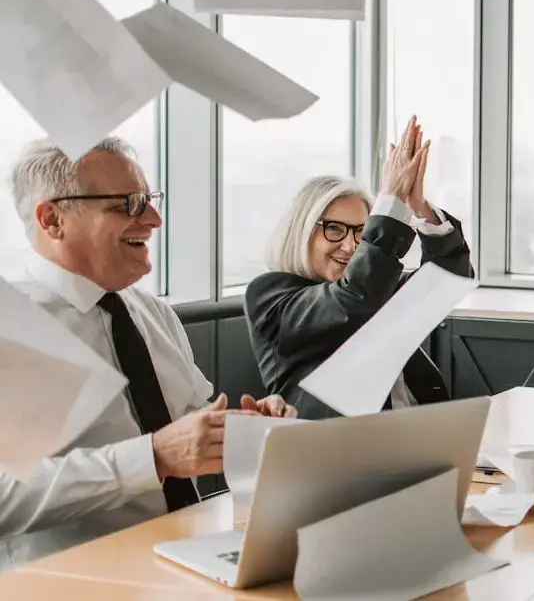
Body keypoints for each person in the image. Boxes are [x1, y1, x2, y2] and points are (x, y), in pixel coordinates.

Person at [1, 137, 294, 571]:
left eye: (150, 200)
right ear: (52, 219)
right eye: (128, 204)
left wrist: (246, 432)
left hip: (186, 557)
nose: (154, 219)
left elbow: (191, 430)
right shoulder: (15, 327)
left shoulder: (151, 311)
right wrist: (153, 458)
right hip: (72, 579)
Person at [244, 116, 473, 419]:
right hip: (339, 455)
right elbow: (352, 299)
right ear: (301, 231)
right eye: (335, 229)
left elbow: (446, 281)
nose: (351, 246)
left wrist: (419, 208)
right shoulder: (270, 295)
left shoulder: (375, 287)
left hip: (422, 439)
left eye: (361, 232)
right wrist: (391, 201)